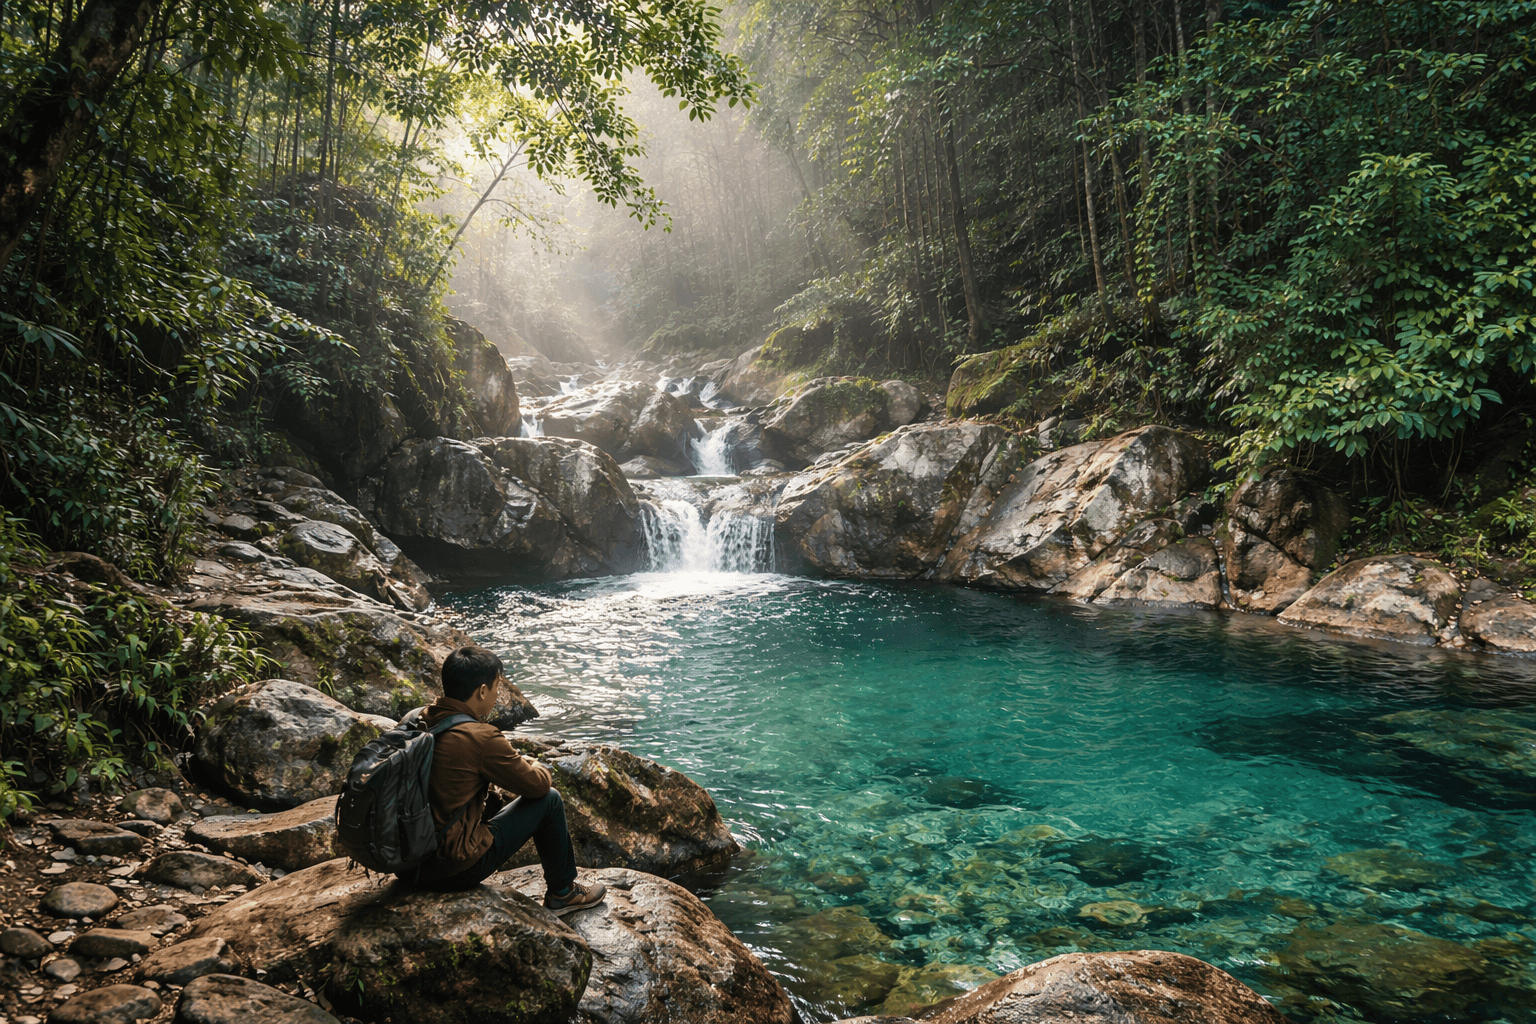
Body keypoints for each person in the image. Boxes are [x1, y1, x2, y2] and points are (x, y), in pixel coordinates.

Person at [406, 644, 606, 915]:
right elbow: (539, 785)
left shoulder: (415, 720)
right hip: (450, 870)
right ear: (482, 691)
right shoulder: (481, 737)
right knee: (550, 800)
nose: (497, 695)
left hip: (406, 865)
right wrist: (532, 763)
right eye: (497, 688)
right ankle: (563, 892)